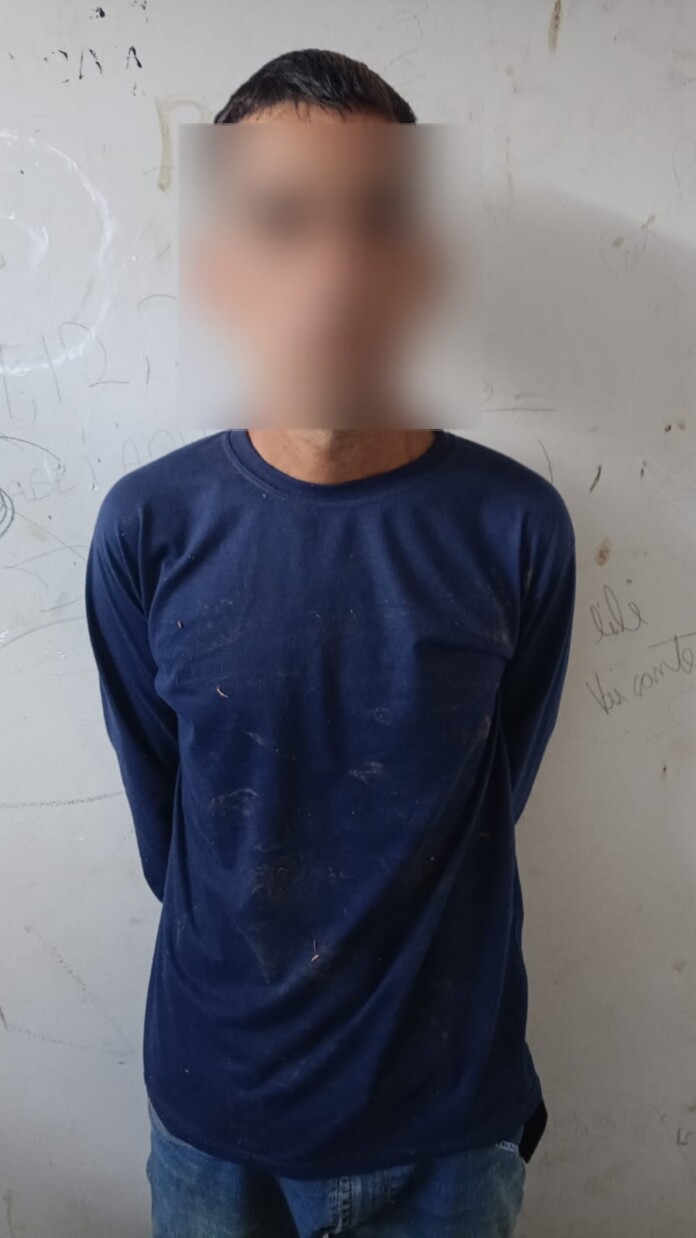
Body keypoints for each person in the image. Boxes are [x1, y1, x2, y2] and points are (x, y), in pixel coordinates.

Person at [85, 48, 576, 1238]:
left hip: (447, 1126)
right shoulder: (147, 527)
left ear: (420, 261)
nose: (335, 269)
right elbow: (173, 828)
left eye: (375, 220)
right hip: (216, 1119)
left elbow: (496, 785)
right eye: (283, 221)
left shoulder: (518, 527)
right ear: (223, 263)